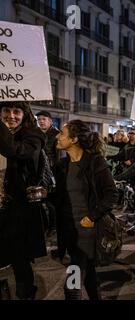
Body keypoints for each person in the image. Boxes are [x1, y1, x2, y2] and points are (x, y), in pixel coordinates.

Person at [52, 120, 118, 300]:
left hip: (88, 231)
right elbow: (59, 198)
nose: (57, 136)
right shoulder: (61, 166)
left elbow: (111, 194)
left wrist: (92, 217)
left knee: (72, 281)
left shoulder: (95, 163)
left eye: (62, 134)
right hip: (69, 230)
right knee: (89, 273)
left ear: (73, 139)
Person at [0, 101, 47, 299]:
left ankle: (26, 291)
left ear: (24, 114)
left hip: (18, 208)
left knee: (19, 256)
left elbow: (14, 151)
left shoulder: (33, 136)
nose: (11, 115)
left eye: (16, 111)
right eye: (6, 110)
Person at [36, 110, 60, 235]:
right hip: (39, 172)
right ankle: (44, 225)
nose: (41, 121)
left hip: (52, 173)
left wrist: (55, 173)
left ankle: (53, 226)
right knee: (40, 200)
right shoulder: (36, 134)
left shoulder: (57, 135)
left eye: (43, 119)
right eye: (39, 119)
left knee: (51, 202)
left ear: (50, 121)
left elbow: (59, 156)